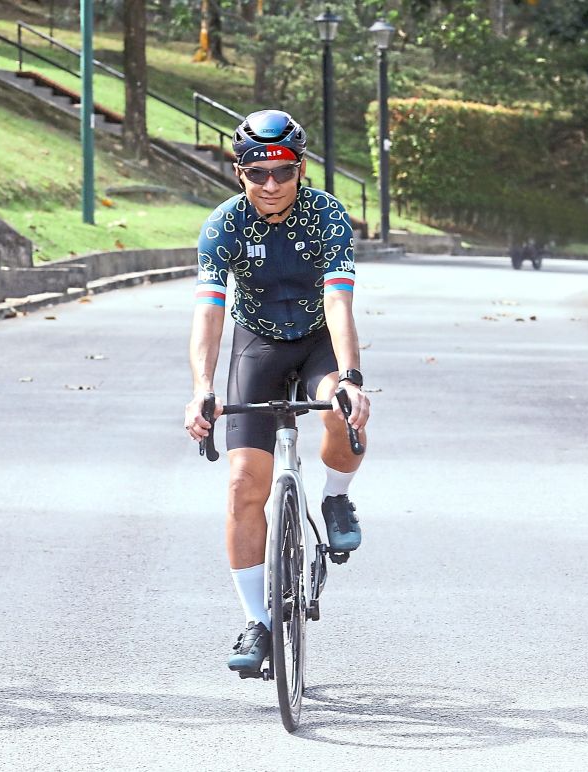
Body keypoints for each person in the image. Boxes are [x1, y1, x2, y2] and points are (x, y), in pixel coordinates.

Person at [183, 109, 371, 674]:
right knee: (243, 483)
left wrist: (352, 380)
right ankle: (256, 622)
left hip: (317, 339)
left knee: (342, 411)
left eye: (283, 173)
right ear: (239, 173)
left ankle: (336, 495)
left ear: (301, 170)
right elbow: (209, 312)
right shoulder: (224, 224)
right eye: (257, 172)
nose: (271, 185)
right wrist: (201, 389)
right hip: (257, 344)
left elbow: (339, 303)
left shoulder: (328, 217)